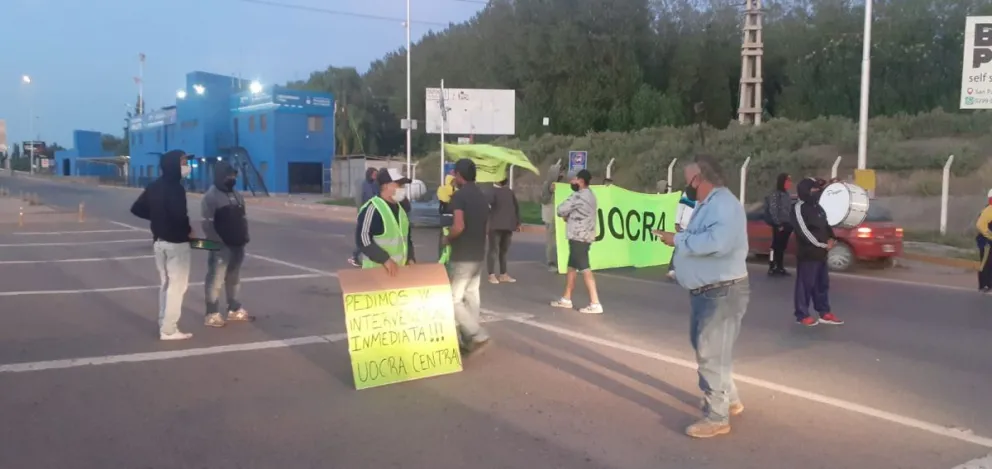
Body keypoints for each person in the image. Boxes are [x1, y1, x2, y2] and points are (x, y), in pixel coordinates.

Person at [656, 154, 749, 439]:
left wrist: (678, 239)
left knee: (710, 353)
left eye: (688, 181)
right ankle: (729, 400)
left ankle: (717, 417)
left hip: (720, 291)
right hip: (709, 290)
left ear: (700, 178)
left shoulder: (723, 204)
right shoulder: (708, 204)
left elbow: (717, 243)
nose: (687, 186)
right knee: (711, 350)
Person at [129, 150, 195, 341]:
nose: (186, 166)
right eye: (183, 162)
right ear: (174, 164)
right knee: (177, 286)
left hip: (159, 242)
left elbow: (137, 208)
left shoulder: (154, 186)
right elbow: (180, 216)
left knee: (166, 284)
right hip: (176, 243)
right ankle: (169, 329)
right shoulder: (176, 188)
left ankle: (163, 323)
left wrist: (157, 218)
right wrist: (188, 231)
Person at [441, 159, 491, 354]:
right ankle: (469, 336)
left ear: (459, 175)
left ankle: (475, 333)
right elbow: (486, 227)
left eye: (455, 174)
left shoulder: (460, 197)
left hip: (463, 255)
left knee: (453, 299)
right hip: (478, 253)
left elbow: (458, 226)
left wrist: (447, 238)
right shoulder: (482, 196)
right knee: (472, 294)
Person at [201, 162, 254, 327]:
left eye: (233, 175)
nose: (231, 178)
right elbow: (207, 224)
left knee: (234, 278)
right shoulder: (211, 197)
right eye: (228, 175)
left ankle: (234, 309)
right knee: (215, 279)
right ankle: (211, 313)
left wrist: (244, 236)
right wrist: (216, 242)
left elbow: (242, 218)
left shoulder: (237, 195)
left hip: (238, 245)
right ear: (220, 176)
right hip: (220, 247)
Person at [791, 177, 844, 327]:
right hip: (808, 254)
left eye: (818, 189)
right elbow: (803, 231)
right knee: (805, 286)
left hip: (822, 254)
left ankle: (824, 312)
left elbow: (825, 225)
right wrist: (822, 245)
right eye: (814, 189)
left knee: (822, 285)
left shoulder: (818, 207)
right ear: (806, 191)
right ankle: (802, 315)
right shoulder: (798, 208)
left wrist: (832, 238)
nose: (817, 191)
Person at [550, 169, 603, 314]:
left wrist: (567, 216)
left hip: (579, 236)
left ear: (580, 180)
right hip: (585, 235)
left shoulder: (579, 196)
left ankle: (595, 302)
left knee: (585, 268)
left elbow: (560, 209)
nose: (571, 182)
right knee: (572, 267)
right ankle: (566, 298)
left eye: (573, 179)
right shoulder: (591, 195)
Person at [355, 168, 416, 274]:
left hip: (398, 273)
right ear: (386, 186)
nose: (402, 189)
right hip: (376, 274)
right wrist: (385, 259)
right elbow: (363, 239)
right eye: (399, 185)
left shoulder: (401, 210)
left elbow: (406, 239)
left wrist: (410, 257)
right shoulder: (373, 209)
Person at [487, 177, 521, 283]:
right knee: (493, 250)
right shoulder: (491, 192)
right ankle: (491, 275)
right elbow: (488, 206)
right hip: (495, 226)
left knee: (504, 251)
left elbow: (516, 207)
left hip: (508, 226)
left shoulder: (509, 192)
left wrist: (518, 222)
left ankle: (503, 274)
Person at [764, 172, 794, 276]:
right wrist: (778, 224)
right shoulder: (776, 194)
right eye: (787, 181)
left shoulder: (787, 194)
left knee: (782, 247)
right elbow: (773, 210)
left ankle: (780, 267)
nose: (789, 183)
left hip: (787, 224)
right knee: (775, 246)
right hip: (779, 225)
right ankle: (772, 267)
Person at [349, 167, 380, 267]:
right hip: (367, 213)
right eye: (374, 174)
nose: (376, 176)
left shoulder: (375, 184)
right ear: (370, 175)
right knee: (366, 237)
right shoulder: (365, 185)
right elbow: (372, 198)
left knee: (372, 237)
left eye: (376, 175)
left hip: (374, 213)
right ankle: (354, 256)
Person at [540, 164, 564, 272]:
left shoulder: (561, 185)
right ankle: (551, 262)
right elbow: (544, 200)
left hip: (559, 216)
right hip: (550, 217)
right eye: (560, 172)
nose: (562, 174)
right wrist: (550, 191)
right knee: (551, 241)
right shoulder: (546, 185)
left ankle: (560, 261)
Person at [667, 193, 696, 280]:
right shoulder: (689, 192)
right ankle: (672, 270)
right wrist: (677, 222)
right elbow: (680, 206)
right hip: (685, 226)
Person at [975, 189, 992, 292]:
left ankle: (989, 283)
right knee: (985, 262)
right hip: (986, 241)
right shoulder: (988, 210)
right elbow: (980, 225)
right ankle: (983, 284)